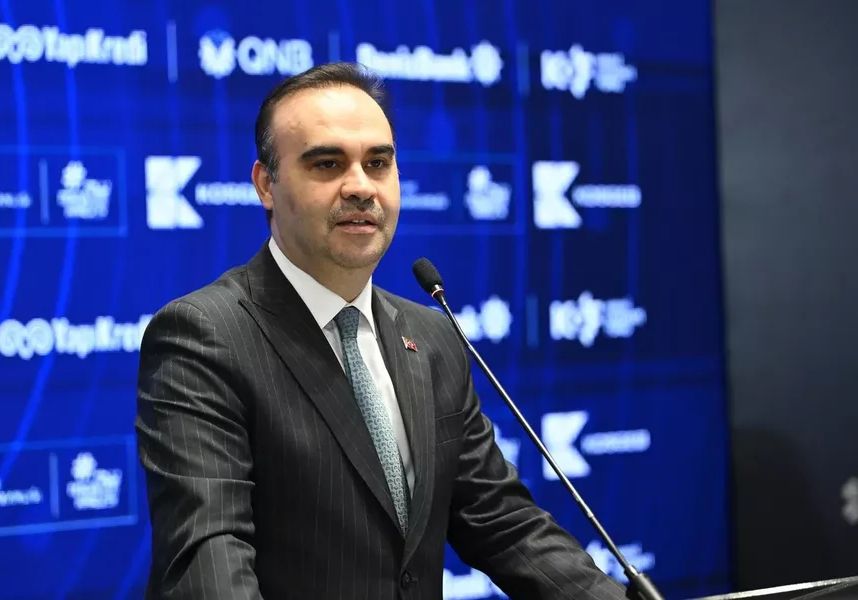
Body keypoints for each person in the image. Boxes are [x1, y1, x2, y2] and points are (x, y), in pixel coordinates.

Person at [135, 61, 628, 600]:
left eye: (378, 163)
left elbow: (503, 523)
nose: (360, 187)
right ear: (266, 185)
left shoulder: (432, 336)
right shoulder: (204, 337)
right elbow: (210, 559)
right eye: (327, 164)